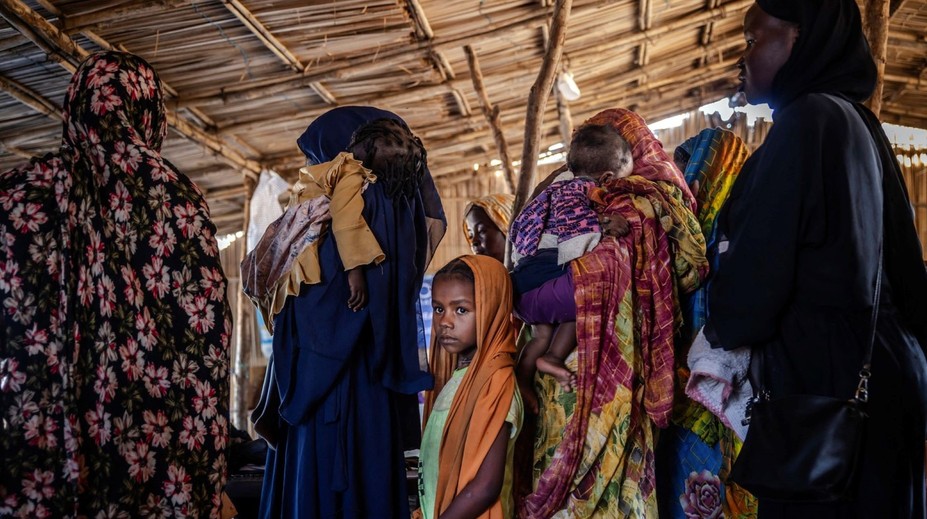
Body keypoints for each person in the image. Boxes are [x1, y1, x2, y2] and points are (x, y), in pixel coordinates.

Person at [705, 1, 927, 517]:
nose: (743, 58)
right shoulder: (860, 125)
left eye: (754, 40)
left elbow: (751, 295)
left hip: (826, 397)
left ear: (802, 41)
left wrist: (719, 313)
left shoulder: (805, 123)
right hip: (887, 382)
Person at [0, 51, 231, 517]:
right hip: (156, 449)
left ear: (76, 107)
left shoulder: (22, 192)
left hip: (45, 441)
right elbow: (208, 336)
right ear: (150, 113)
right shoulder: (177, 198)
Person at [256, 109, 446, 519]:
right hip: (370, 382)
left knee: (323, 489)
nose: (313, 167)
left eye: (316, 155)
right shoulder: (399, 205)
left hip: (331, 386)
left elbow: (325, 301)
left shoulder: (360, 197)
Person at [522, 108, 708, 517]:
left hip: (579, 353)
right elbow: (689, 266)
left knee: (567, 462)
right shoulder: (643, 199)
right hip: (609, 360)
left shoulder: (575, 191)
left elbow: (529, 247)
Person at [655, 128, 757, 519]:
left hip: (727, 392)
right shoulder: (682, 234)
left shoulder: (743, 230)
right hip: (678, 393)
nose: (686, 182)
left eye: (690, 169)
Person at [508, 124, 634, 409]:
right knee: (588, 292)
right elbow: (575, 232)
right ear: (607, 177)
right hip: (547, 278)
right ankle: (552, 358)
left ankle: (525, 379)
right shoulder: (581, 190)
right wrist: (605, 226)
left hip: (524, 290)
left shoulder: (551, 188)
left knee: (542, 333)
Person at [417, 255, 523, 519]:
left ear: (491, 310)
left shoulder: (495, 381)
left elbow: (485, 487)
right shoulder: (457, 377)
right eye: (439, 309)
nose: (445, 322)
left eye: (461, 310)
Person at [463, 194, 516, 264]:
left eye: (482, 230)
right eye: (470, 235)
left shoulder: (532, 272)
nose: (474, 242)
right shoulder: (480, 274)